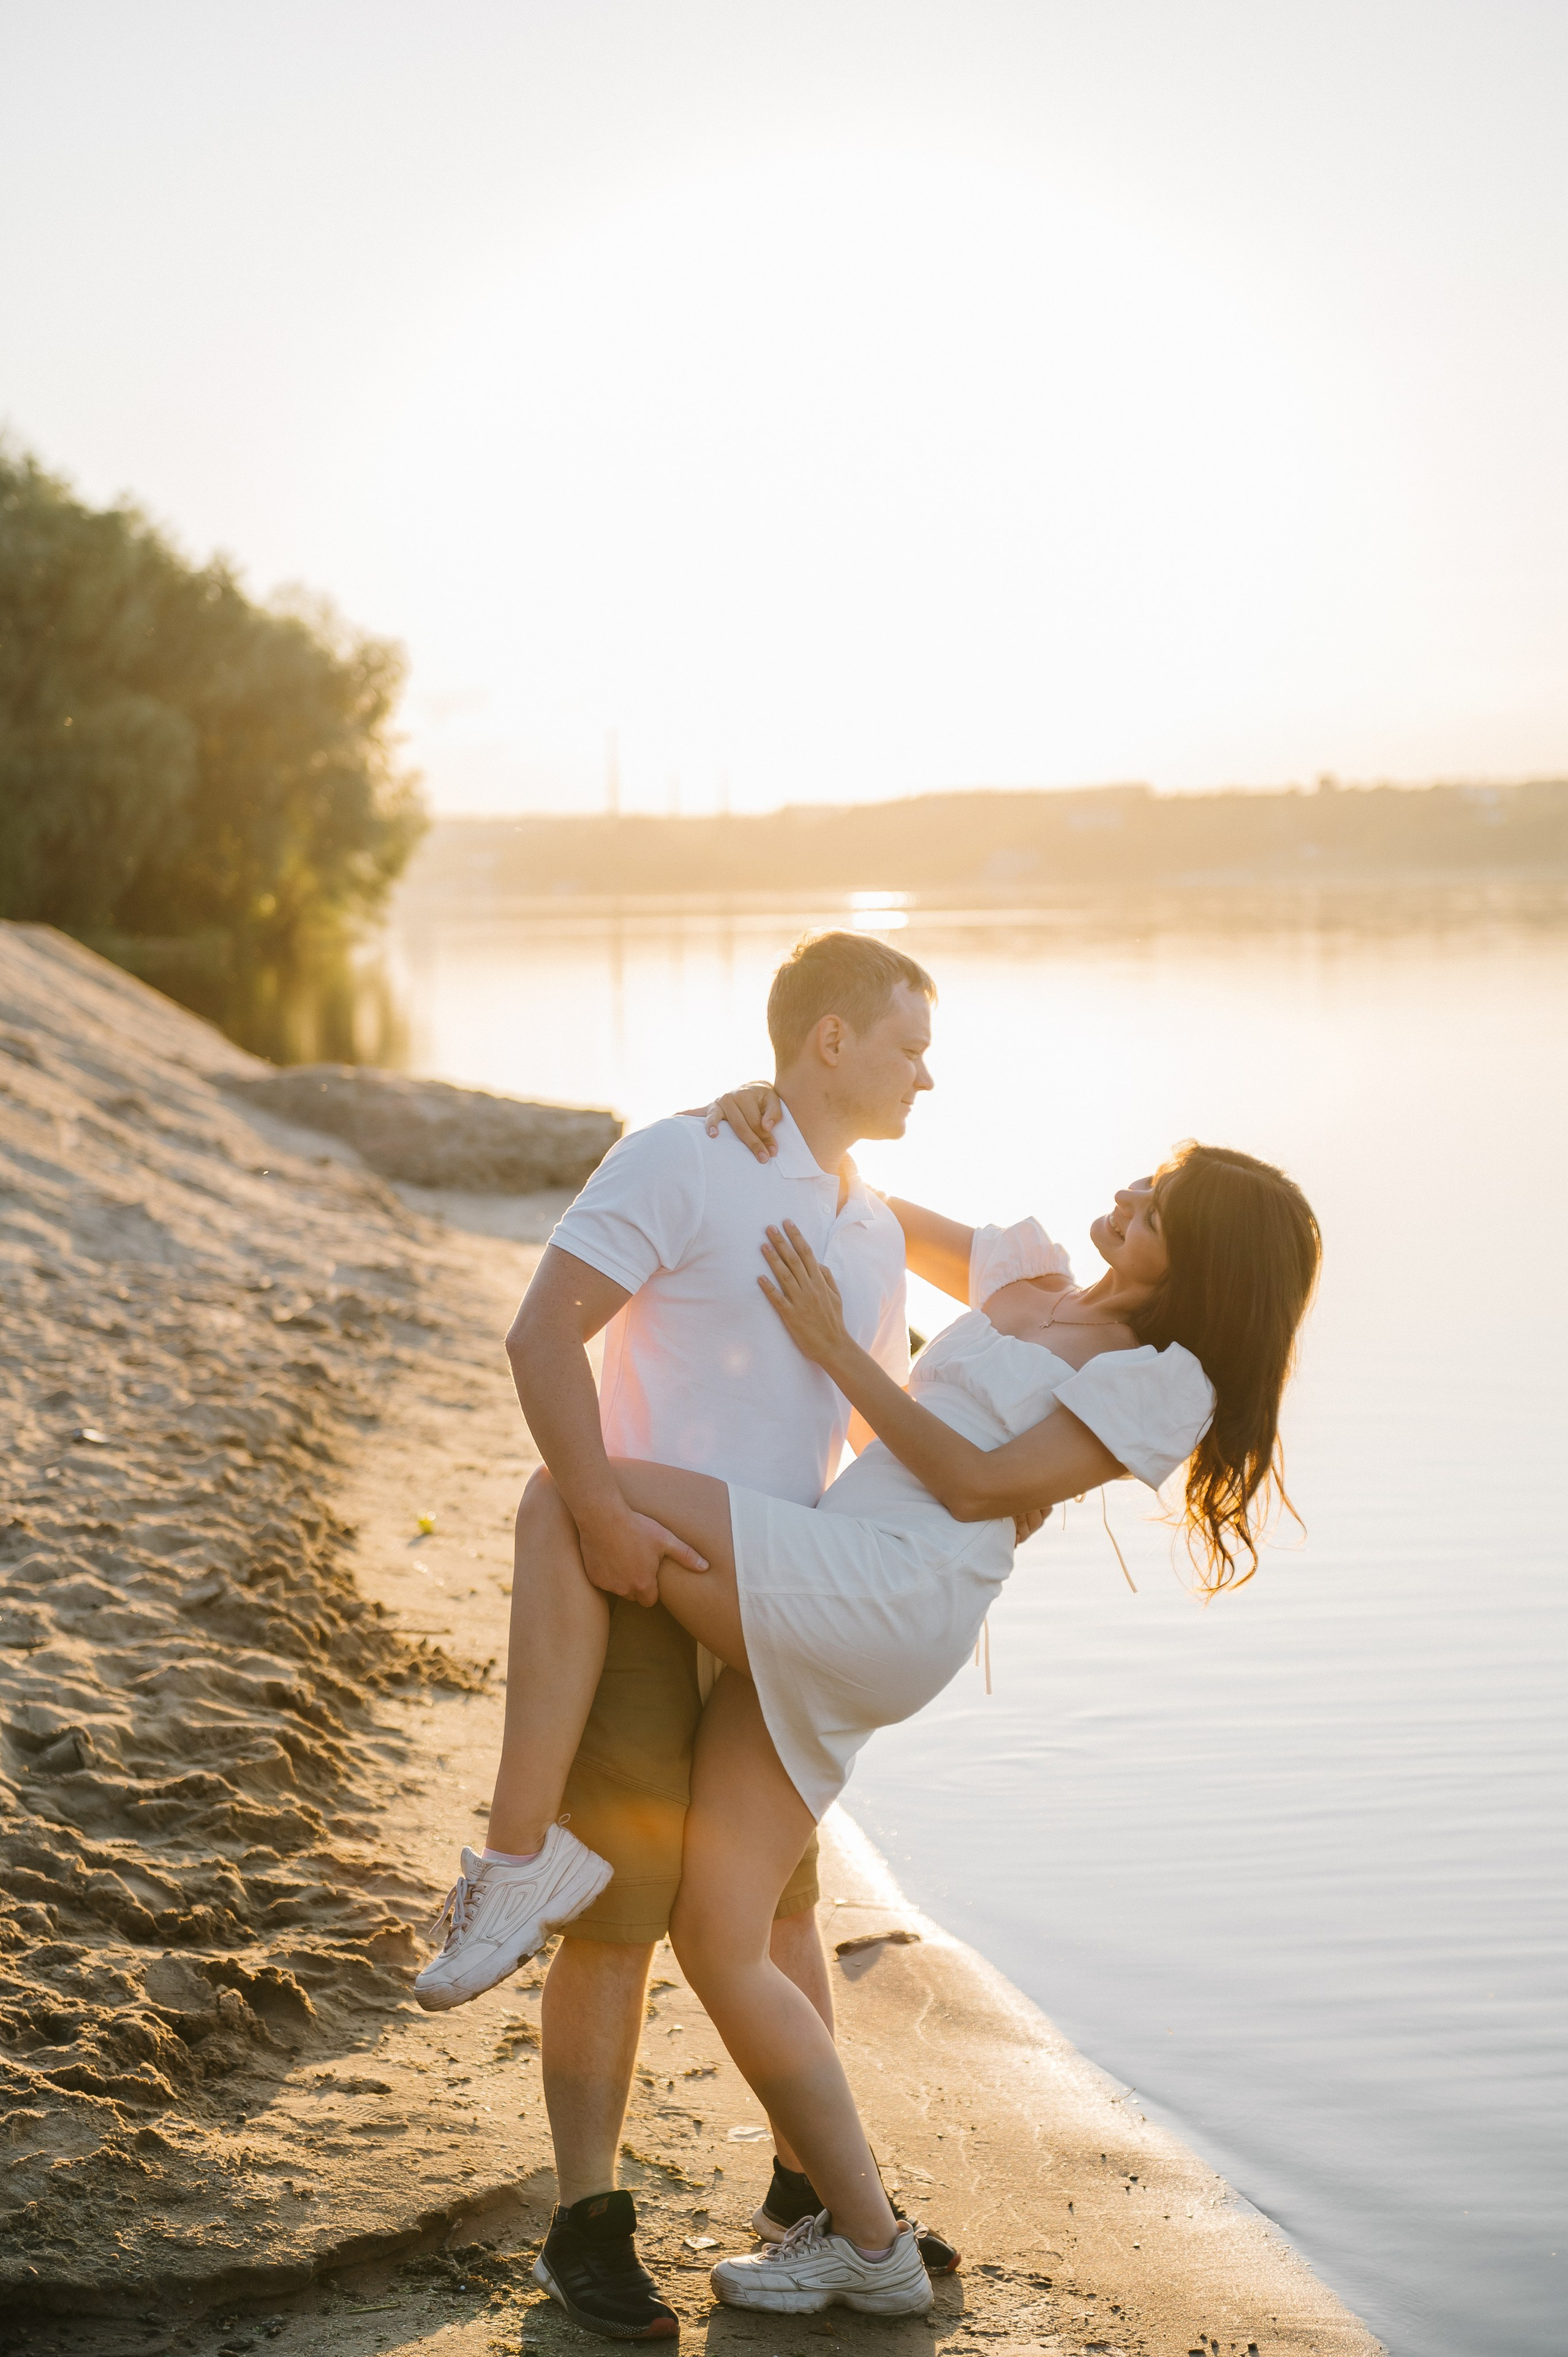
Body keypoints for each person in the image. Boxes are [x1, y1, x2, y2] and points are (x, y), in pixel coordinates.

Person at [426, 1129, 1321, 2320]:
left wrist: (837, 1347)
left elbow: (970, 1485)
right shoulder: (1028, 1276)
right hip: (840, 1580)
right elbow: (857, 1203)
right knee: (719, 1931)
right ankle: (865, 2242)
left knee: (567, 1491)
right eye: (1143, 1178)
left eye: (1154, 1201)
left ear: (1201, 1254)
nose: (1123, 1190)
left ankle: (514, 1860)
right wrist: (774, 1124)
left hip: (891, 1590)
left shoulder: (1157, 1377)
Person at [416, 930, 971, 2339]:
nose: (928, 1069)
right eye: (908, 1042)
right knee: (613, 1919)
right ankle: (584, 2228)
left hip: (776, 1604)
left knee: (779, 1914)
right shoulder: (682, 1155)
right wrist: (597, 1517)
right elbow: (542, 1337)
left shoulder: (863, 1219)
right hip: (641, 1586)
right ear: (830, 1041)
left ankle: (816, 2196)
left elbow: (853, 1423)